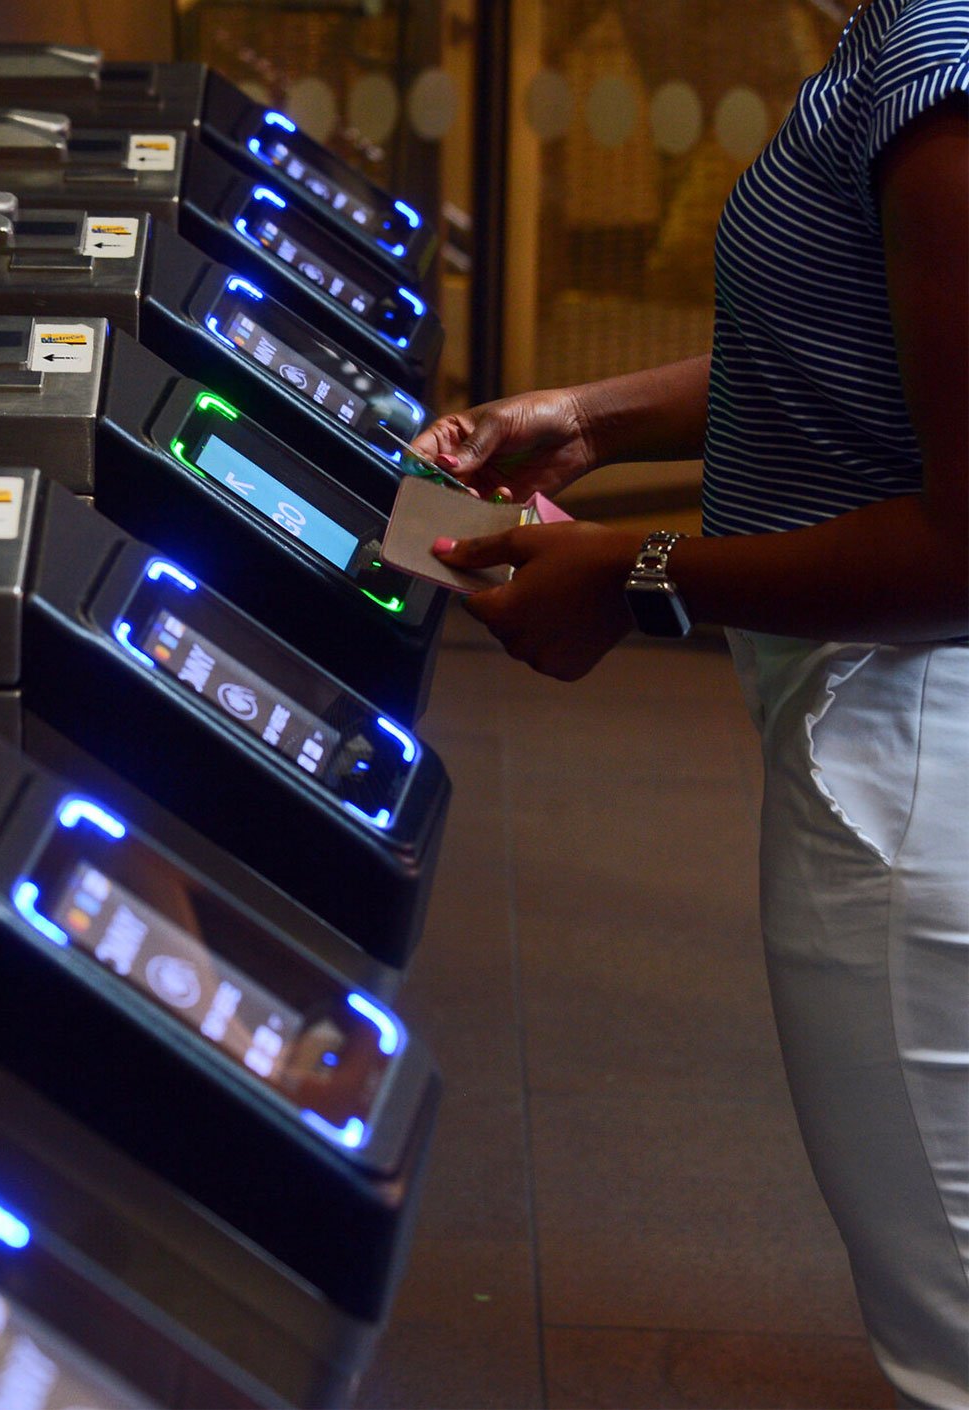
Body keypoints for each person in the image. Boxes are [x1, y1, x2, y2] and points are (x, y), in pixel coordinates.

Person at [408, 2, 968, 1403]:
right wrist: (597, 417)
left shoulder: (940, 64)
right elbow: (883, 348)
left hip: (908, 758)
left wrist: (637, 573)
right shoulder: (900, 30)